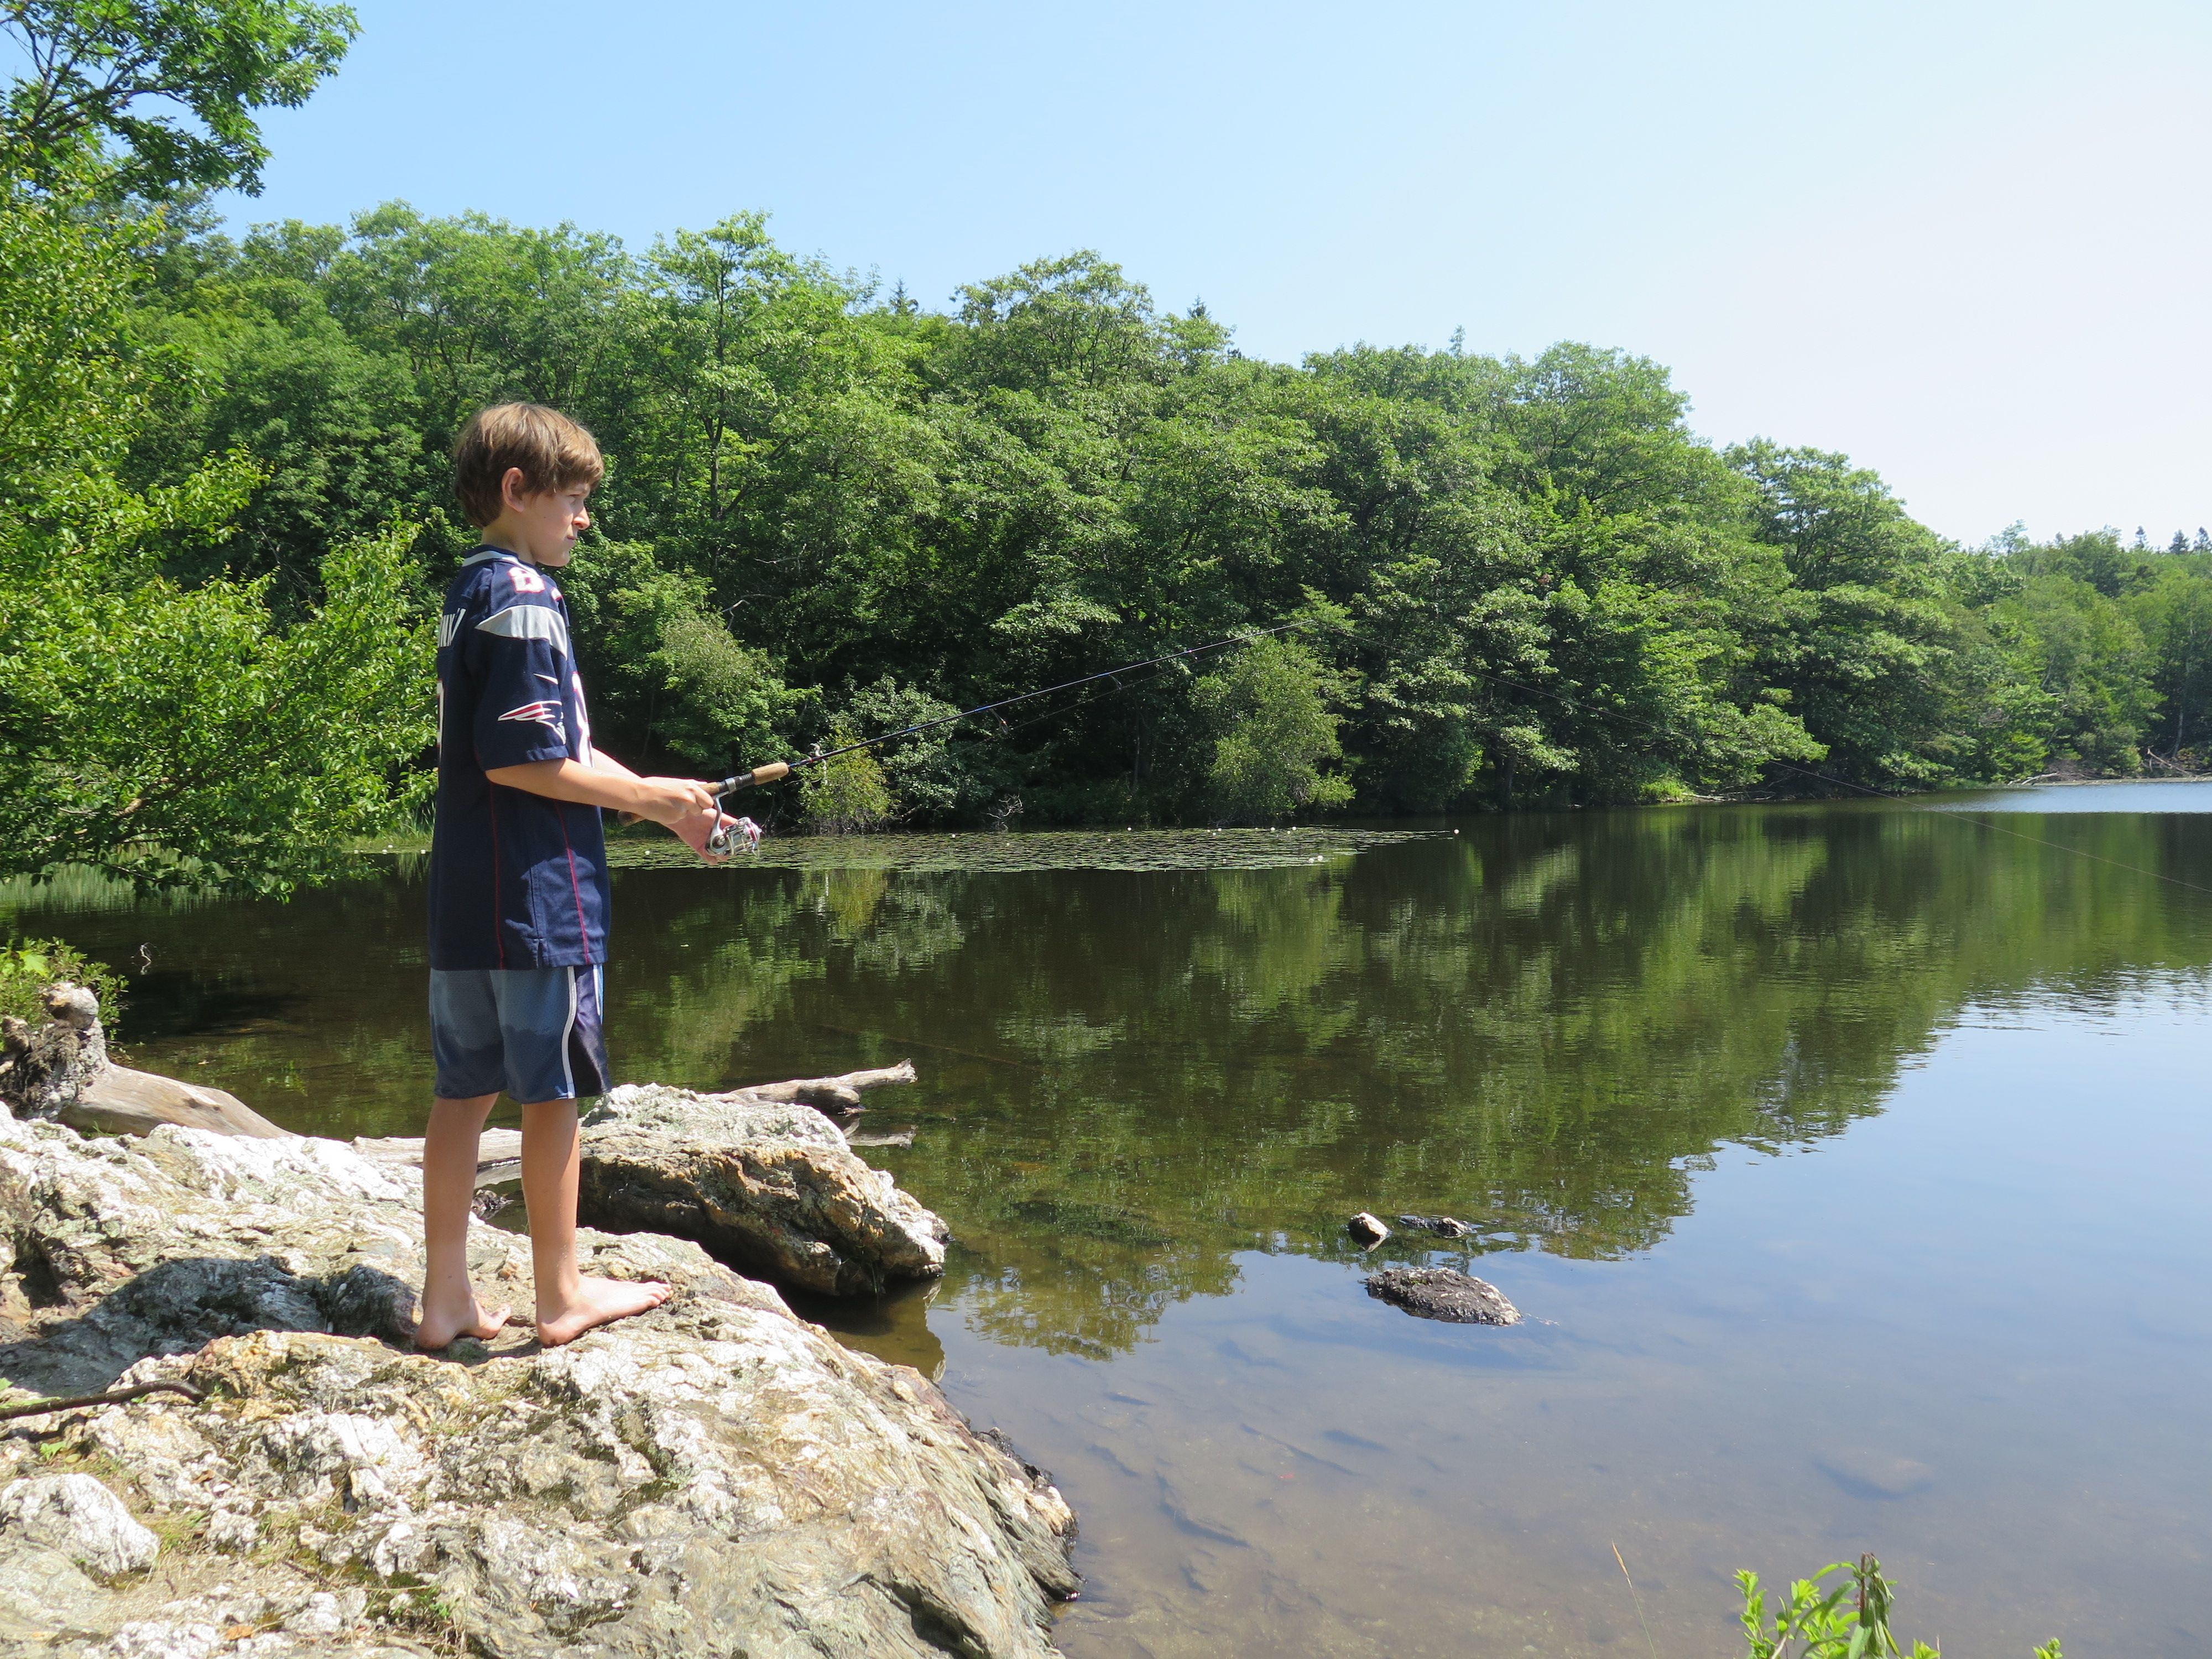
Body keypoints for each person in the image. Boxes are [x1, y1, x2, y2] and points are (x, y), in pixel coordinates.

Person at [415, 402, 733, 1349]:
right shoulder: (526, 595)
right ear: (518, 491)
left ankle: (445, 1299)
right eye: (574, 500)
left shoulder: (470, 588)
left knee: (462, 1093)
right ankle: (561, 1297)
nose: (585, 519)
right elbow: (523, 761)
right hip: (537, 901)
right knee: (552, 1095)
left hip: (467, 898)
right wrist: (645, 798)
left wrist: (665, 804)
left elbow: (561, 747)